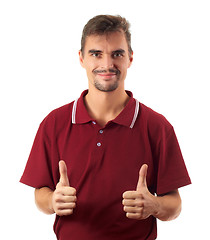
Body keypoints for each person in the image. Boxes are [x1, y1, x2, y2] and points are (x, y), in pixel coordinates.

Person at [20, 15, 191, 240]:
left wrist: (155, 205)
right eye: (96, 54)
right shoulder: (54, 123)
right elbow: (40, 193)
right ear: (81, 58)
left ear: (130, 58)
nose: (107, 64)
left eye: (117, 54)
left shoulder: (158, 127)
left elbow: (175, 205)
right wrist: (52, 201)